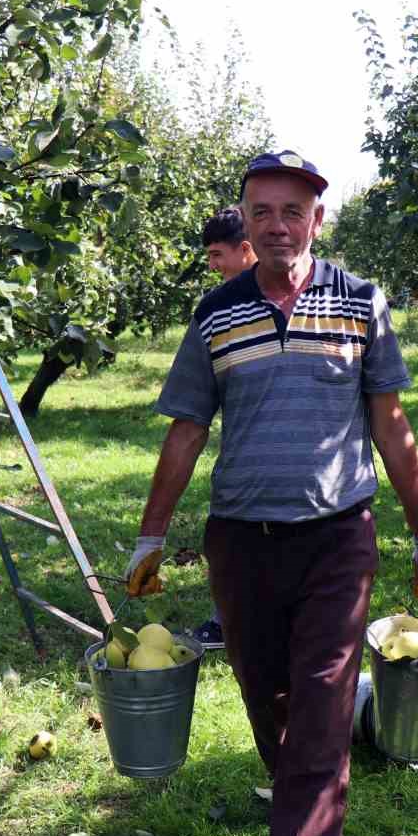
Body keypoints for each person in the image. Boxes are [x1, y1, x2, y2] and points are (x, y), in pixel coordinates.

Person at [124, 151, 418, 836]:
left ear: (317, 220)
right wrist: (151, 536)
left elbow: (391, 426)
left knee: (322, 702)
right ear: (244, 218)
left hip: (337, 535)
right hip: (241, 539)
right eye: (262, 211)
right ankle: (299, 785)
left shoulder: (361, 302)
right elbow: (188, 429)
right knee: (266, 690)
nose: (277, 225)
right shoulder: (217, 312)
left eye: (292, 211)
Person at [186, 205, 259, 650]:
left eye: (217, 255)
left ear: (245, 250)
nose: (212, 265)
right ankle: (227, 621)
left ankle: (234, 623)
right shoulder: (219, 308)